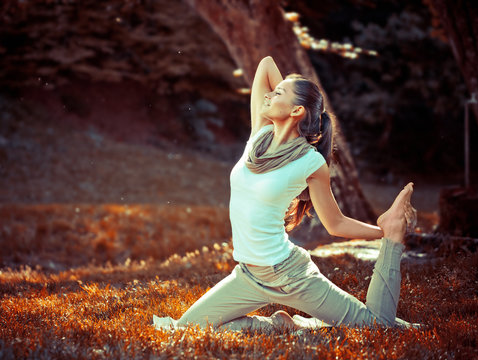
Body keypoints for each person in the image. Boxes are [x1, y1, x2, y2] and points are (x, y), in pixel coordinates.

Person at [153, 56, 418, 332]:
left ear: (296, 112)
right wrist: (289, 97)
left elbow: (335, 223)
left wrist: (384, 233)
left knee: (377, 325)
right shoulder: (260, 136)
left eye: (278, 94)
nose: (269, 94)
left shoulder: (310, 162)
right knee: (188, 328)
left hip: (290, 276)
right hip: (248, 275)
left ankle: (393, 243)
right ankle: (281, 324)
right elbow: (266, 65)